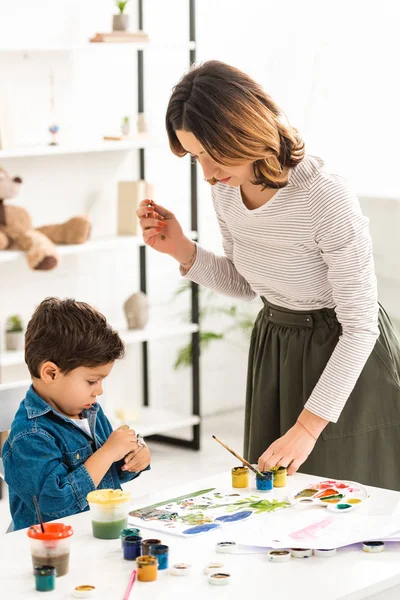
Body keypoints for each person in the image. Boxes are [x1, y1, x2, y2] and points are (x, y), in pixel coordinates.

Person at [137, 60, 400, 490]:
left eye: (211, 153)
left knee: (340, 499)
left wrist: (309, 426)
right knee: (273, 495)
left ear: (242, 130)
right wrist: (180, 248)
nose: (206, 173)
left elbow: (360, 325)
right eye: (195, 158)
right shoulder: (226, 191)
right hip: (276, 343)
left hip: (342, 350)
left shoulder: (323, 194)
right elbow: (246, 283)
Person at [2, 297, 151, 530]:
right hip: (50, 551)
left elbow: (107, 476)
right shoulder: (29, 436)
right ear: (51, 373)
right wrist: (108, 452)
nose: (99, 391)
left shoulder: (89, 412)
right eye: (92, 381)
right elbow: (56, 504)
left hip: (94, 533)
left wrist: (134, 459)